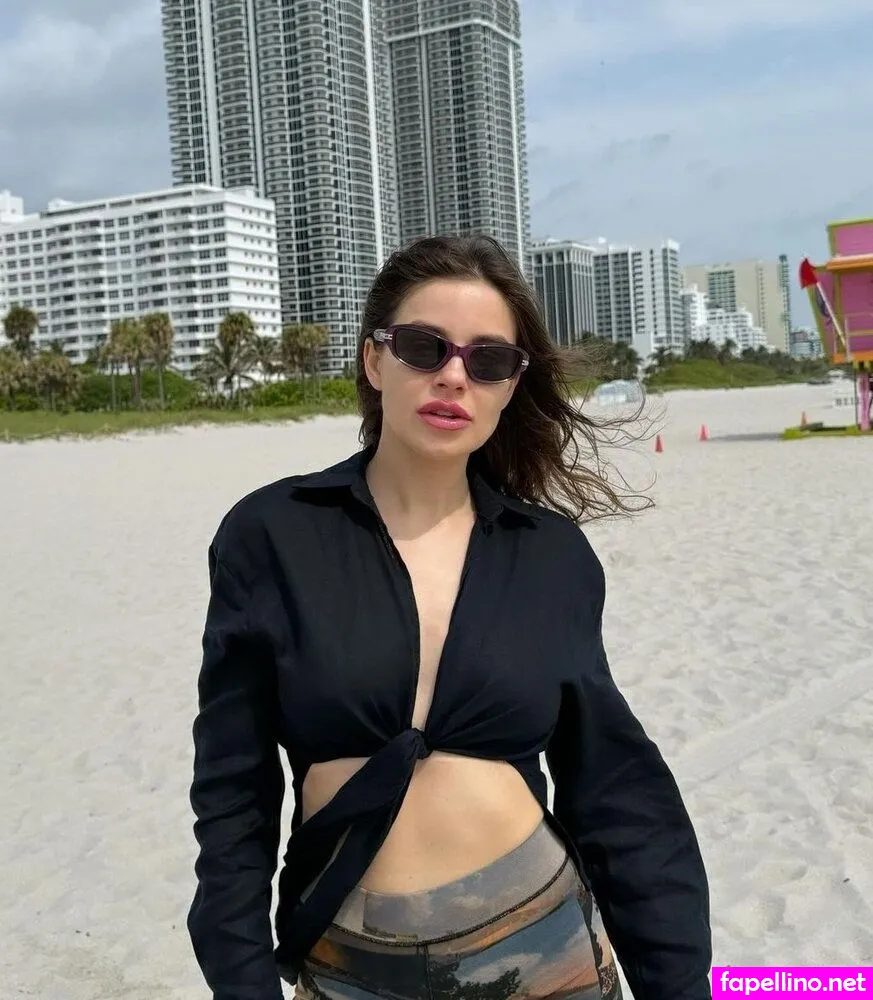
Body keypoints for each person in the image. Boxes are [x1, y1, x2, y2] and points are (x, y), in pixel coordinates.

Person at [187, 234, 712, 1000]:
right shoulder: (272, 535)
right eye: (423, 347)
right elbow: (232, 793)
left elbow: (615, 790)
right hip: (348, 963)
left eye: (487, 359)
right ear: (375, 360)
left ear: (510, 385)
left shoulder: (551, 556)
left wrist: (678, 983)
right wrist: (242, 982)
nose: (453, 375)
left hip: (544, 948)